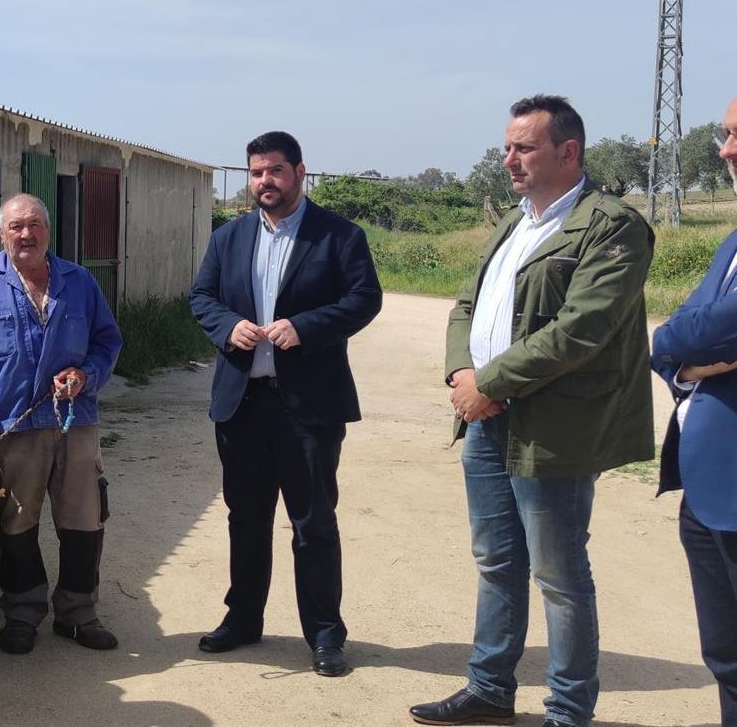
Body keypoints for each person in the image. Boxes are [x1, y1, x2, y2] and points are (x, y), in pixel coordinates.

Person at [411, 95, 654, 727]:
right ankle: (489, 689)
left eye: (524, 147)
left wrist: (490, 381)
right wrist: (462, 373)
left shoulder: (611, 226)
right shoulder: (515, 221)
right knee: (496, 562)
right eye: (508, 146)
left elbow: (582, 329)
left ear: (568, 152)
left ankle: (569, 712)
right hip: (487, 420)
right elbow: (467, 305)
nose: (508, 159)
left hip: (555, 430)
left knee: (559, 573)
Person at [188, 131, 382, 678]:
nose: (264, 182)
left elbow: (365, 298)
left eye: (274, 171)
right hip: (242, 404)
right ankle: (243, 620)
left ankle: (324, 635)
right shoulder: (229, 238)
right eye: (255, 173)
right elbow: (201, 298)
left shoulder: (339, 235)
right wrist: (230, 327)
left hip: (309, 407)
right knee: (245, 519)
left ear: (300, 172)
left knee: (313, 523)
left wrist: (305, 327)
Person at [0, 192, 122, 655]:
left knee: (84, 520)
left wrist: (86, 375)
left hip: (75, 420)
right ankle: (21, 613)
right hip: (12, 424)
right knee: (18, 521)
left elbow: (107, 341)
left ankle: (79, 613)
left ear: (48, 229)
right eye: (16, 226)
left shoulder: (79, 282)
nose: (26, 233)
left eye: (35, 224)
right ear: (2, 233)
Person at [651, 96, 737, 725]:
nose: (729, 150)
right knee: (727, 658)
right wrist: (678, 356)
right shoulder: (734, 239)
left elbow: (712, 329)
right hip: (709, 490)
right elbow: (678, 332)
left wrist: (680, 345)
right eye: (726, 136)